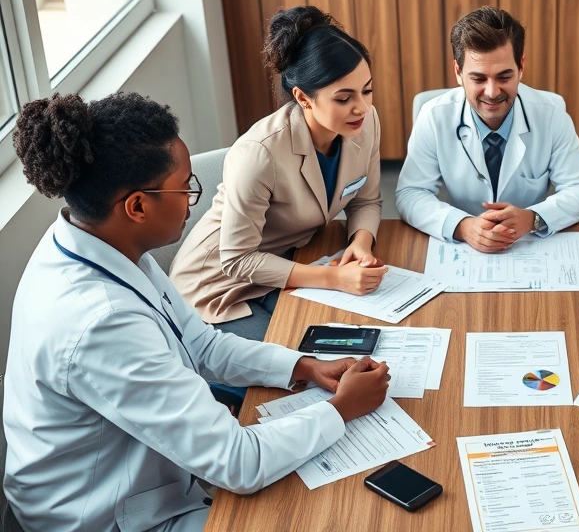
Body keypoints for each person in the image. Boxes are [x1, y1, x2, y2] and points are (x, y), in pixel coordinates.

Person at [2, 92, 391, 531]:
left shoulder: (102, 243)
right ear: (137, 206)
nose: (193, 200)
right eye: (185, 186)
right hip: (102, 517)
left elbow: (201, 343)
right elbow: (239, 464)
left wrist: (303, 366)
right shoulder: (99, 321)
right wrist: (340, 409)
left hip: (144, 475)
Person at [170, 6, 385, 339]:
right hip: (220, 286)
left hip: (290, 263)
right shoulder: (260, 153)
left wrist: (361, 242)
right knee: (296, 360)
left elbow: (366, 201)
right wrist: (334, 278)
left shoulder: (364, 124)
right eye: (344, 98)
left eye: (367, 91)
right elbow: (238, 260)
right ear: (303, 97)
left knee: (355, 340)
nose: (362, 107)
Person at [396, 6, 579, 253]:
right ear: (458, 73)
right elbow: (410, 193)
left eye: (504, 77)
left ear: (521, 67)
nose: (492, 93)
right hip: (463, 248)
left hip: (527, 243)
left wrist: (532, 218)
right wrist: (462, 226)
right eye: (478, 79)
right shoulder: (433, 116)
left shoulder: (551, 113)